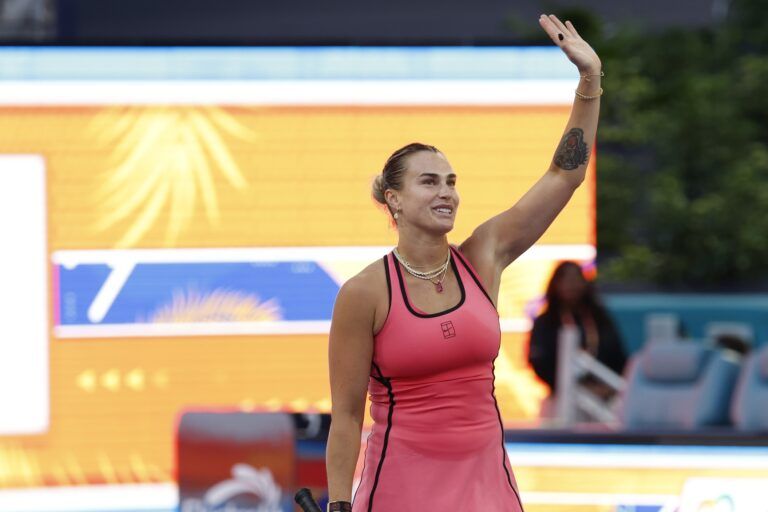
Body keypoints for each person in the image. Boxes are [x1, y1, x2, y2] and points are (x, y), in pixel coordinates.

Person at [326, 14, 602, 511]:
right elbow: (346, 417)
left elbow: (566, 175)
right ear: (393, 199)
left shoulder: (484, 255)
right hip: (401, 491)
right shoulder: (364, 293)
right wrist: (338, 505)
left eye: (451, 181)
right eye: (429, 182)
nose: (447, 192)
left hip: (487, 489)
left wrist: (589, 81)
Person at [528, 261, 627, 411]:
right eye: (565, 279)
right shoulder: (546, 322)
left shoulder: (600, 318)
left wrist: (605, 388)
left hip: (603, 398)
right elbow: (539, 362)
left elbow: (618, 356)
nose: (571, 284)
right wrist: (566, 386)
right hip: (561, 398)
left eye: (576, 278)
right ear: (555, 284)